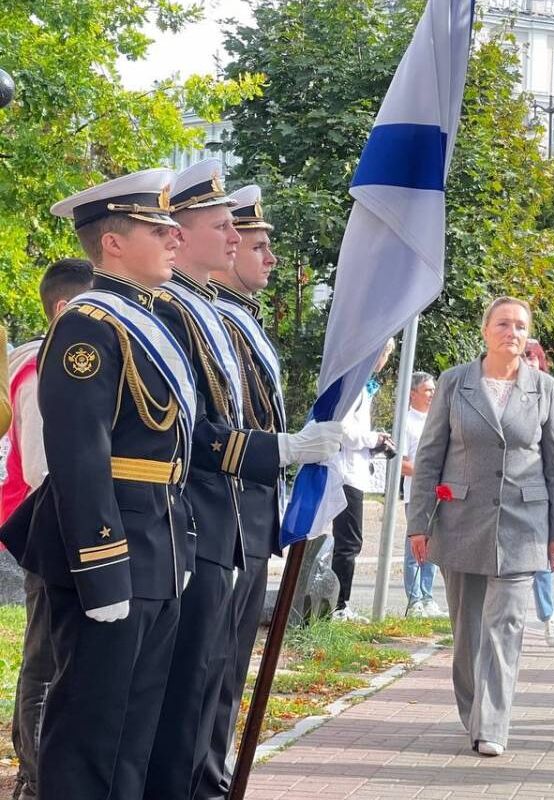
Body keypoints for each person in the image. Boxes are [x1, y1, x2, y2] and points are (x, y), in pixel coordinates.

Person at [146, 160, 342, 800]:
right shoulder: (176, 308)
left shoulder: (209, 310)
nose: (237, 242)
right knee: (195, 679)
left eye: (241, 232)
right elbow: (196, 428)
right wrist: (280, 450)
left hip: (236, 514)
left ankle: (204, 780)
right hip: (205, 512)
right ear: (178, 230)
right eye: (225, 228)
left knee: (220, 675)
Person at [0, 168, 193, 799]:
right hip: (111, 556)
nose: (173, 238)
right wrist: (102, 566)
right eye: (157, 227)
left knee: (133, 738)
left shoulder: (149, 320)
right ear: (112, 242)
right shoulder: (88, 324)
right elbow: (80, 454)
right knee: (89, 736)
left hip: (156, 547)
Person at [408, 296, 554, 757]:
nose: (512, 333)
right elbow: (429, 457)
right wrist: (418, 522)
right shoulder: (454, 383)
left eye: (520, 326)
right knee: (467, 633)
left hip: (523, 524)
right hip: (460, 521)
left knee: (507, 626)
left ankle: (493, 726)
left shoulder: (545, 388)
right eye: (503, 324)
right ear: (485, 331)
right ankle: (473, 714)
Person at [197, 183, 293, 799]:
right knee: (211, 667)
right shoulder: (215, 321)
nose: (266, 256)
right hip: (222, 503)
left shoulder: (241, 321)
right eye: (255, 244)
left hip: (249, 503)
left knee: (228, 663)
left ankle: (213, 768)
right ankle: (204, 775)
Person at [2, 258, 93, 800]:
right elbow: (42, 467)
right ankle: (36, 776)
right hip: (46, 524)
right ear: (65, 309)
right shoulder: (41, 369)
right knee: (45, 659)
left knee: (58, 654)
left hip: (60, 522)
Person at [331, 338, 396, 622]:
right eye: (386, 354)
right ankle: (338, 606)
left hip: (352, 471)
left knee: (348, 542)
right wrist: (375, 440)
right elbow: (345, 430)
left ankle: (338, 603)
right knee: (348, 543)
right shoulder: (355, 383)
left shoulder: (362, 385)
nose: (385, 361)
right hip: (346, 472)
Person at [522, 338, 554, 646]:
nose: (529, 361)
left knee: (540, 563)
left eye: (533, 356)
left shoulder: (550, 392)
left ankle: (548, 617)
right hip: (507, 497)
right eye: (525, 356)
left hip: (538, 496)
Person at [402, 371, 441, 617]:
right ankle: (414, 599)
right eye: (427, 390)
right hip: (415, 494)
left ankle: (428, 597)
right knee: (414, 547)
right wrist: (427, 474)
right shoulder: (405, 423)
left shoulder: (437, 421)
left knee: (434, 547)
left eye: (433, 390)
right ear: (413, 393)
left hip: (439, 495)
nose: (432, 395)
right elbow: (402, 465)